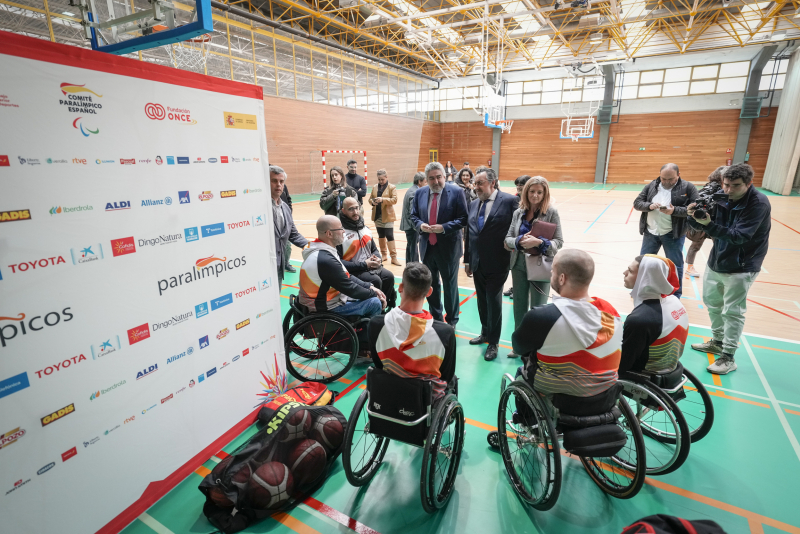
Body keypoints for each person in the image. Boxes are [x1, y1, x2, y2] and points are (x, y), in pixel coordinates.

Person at [687, 163, 771, 375]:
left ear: (748, 183)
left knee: (732, 311)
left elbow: (739, 236)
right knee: (712, 303)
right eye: (726, 185)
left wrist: (708, 225)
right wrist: (693, 217)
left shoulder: (758, 203)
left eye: (735, 186)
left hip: (743, 264)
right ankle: (717, 341)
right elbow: (703, 226)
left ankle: (728, 356)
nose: (728, 190)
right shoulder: (721, 196)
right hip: (718, 259)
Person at [512, 249, 622, 400]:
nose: (551, 275)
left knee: (522, 370)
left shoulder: (541, 317)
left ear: (562, 278)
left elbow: (519, 348)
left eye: (552, 271)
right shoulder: (612, 313)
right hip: (604, 392)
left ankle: (527, 420)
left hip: (560, 395)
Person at [369, 262, 456, 400]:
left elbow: (378, 364)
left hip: (389, 393)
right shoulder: (445, 332)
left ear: (401, 287)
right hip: (424, 400)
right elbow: (446, 375)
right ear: (429, 292)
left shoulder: (376, 324)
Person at [504, 176, 564, 358]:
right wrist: (519, 241)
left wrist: (539, 242)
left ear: (545, 194)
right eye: (532, 191)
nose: (535, 195)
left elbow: (559, 242)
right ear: (525, 192)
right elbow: (507, 239)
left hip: (540, 265)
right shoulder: (518, 213)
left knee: (538, 309)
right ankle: (519, 346)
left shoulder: (551, 213)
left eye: (539, 192)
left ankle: (537, 349)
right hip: (519, 265)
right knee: (519, 307)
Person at [464, 167, 519, 361]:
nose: (476, 187)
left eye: (480, 183)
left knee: (494, 302)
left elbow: (518, 228)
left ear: (493, 183)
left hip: (498, 262)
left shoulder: (510, 201)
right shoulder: (472, 204)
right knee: (481, 301)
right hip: (477, 262)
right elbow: (469, 235)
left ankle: (493, 343)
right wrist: (468, 260)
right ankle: (485, 333)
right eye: (475, 183)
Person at [410, 161, 469, 326]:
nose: (436, 182)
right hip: (427, 247)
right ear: (426, 180)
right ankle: (436, 318)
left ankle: (451, 320)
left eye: (438, 177)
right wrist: (420, 225)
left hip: (448, 248)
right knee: (431, 284)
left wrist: (443, 228)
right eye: (431, 179)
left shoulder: (457, 192)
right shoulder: (420, 193)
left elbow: (464, 218)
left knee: (450, 286)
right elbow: (413, 215)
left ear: (445, 176)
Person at [298, 215, 386, 316]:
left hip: (325, 300)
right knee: (374, 303)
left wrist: (370, 287)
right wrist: (375, 294)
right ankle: (366, 331)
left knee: (370, 293)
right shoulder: (325, 260)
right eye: (340, 228)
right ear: (329, 233)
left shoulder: (323, 249)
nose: (344, 231)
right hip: (325, 308)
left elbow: (346, 275)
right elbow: (351, 289)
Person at [633, 163, 699, 298]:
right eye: (663, 179)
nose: (666, 182)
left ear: (678, 175)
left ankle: (675, 295)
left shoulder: (688, 187)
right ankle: (641, 290)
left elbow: (695, 210)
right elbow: (637, 203)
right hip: (651, 232)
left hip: (673, 234)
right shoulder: (652, 185)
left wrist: (674, 211)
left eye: (671, 179)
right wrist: (649, 206)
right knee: (645, 263)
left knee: (675, 266)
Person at [620, 255, 688, 374]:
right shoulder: (675, 302)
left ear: (645, 277)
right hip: (670, 366)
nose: (624, 273)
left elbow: (623, 363)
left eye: (630, 271)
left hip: (645, 371)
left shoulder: (640, 319)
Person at [338, 197, 397, 309]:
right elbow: (339, 262)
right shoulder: (340, 233)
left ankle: (384, 308)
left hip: (369, 267)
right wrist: (364, 264)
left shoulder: (365, 228)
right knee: (375, 281)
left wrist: (378, 258)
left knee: (389, 277)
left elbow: (374, 249)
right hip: (354, 271)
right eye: (351, 209)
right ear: (343, 211)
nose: (355, 212)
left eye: (357, 208)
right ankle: (373, 311)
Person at [685, 166, 726, 278]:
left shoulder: (721, 186)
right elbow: (701, 197)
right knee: (699, 245)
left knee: (716, 244)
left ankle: (715, 267)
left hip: (712, 220)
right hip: (705, 220)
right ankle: (690, 267)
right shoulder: (713, 186)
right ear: (721, 176)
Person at [270, 166, 308, 285]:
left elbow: (293, 234)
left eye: (281, 181)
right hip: (264, 267)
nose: (278, 185)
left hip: (279, 266)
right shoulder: (260, 208)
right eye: (274, 181)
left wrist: (312, 246)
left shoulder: (285, 207)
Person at [504, 175, 532, 298]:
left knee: (528, 266)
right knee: (516, 265)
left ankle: (527, 289)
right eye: (517, 184)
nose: (519, 186)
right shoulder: (515, 198)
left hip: (527, 238)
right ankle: (516, 287)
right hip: (515, 238)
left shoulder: (531, 202)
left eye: (522, 184)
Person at [368, 169, 402, 266]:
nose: (380, 181)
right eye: (379, 179)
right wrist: (372, 202)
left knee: (389, 235)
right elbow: (370, 199)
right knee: (381, 235)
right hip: (377, 215)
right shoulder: (374, 187)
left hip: (388, 216)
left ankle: (394, 257)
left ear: (387, 177)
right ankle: (384, 255)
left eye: (382, 179)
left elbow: (394, 200)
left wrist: (383, 199)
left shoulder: (392, 187)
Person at [400, 172, 425, 263]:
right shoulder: (414, 192)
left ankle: (409, 267)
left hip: (409, 225)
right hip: (411, 226)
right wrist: (416, 227)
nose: (426, 184)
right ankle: (415, 269)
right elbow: (412, 213)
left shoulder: (411, 189)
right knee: (413, 248)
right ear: (420, 182)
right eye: (425, 182)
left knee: (410, 246)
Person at [281, 180, 296, 273]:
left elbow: (288, 200)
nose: (278, 184)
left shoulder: (284, 186)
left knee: (287, 245)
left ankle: (286, 263)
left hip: (285, 220)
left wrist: (288, 212)